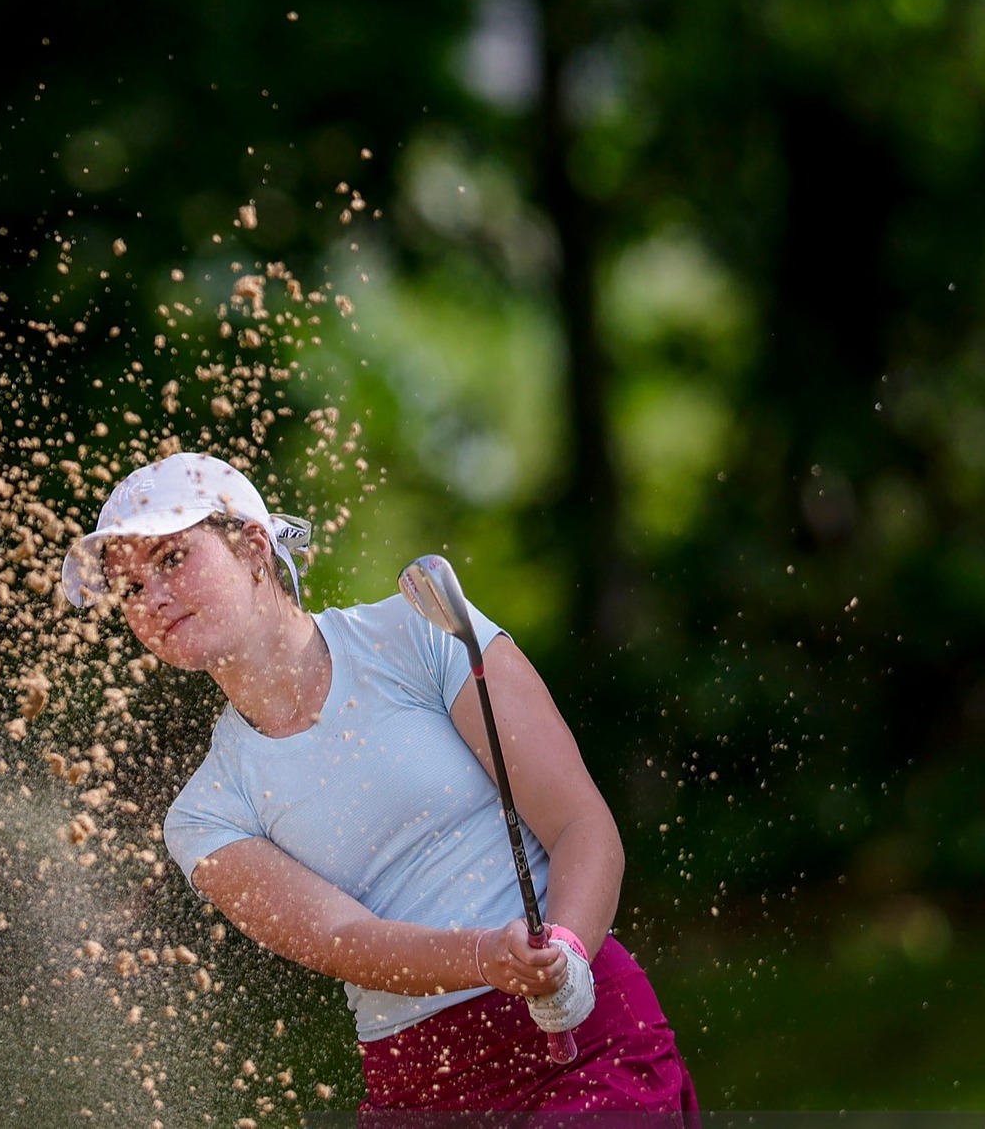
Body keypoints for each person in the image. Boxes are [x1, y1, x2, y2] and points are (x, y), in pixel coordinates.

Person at [61, 452, 697, 1125]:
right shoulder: (204, 814)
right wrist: (489, 958)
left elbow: (579, 826)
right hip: (422, 1085)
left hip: (588, 1044)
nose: (152, 598)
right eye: (128, 590)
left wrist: (564, 953)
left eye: (170, 559)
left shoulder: (419, 631)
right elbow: (343, 941)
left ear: (251, 546)